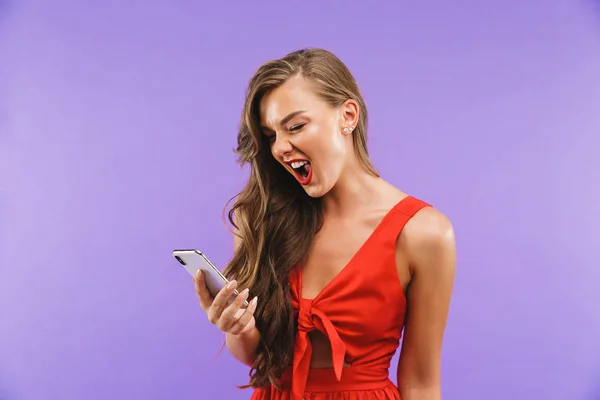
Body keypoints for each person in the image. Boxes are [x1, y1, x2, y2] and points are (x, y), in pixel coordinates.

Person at [193, 48, 456, 400]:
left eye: (296, 126)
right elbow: (256, 357)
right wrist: (237, 327)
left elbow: (422, 382)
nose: (280, 148)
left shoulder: (425, 234)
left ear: (347, 116)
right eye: (270, 135)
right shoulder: (259, 218)